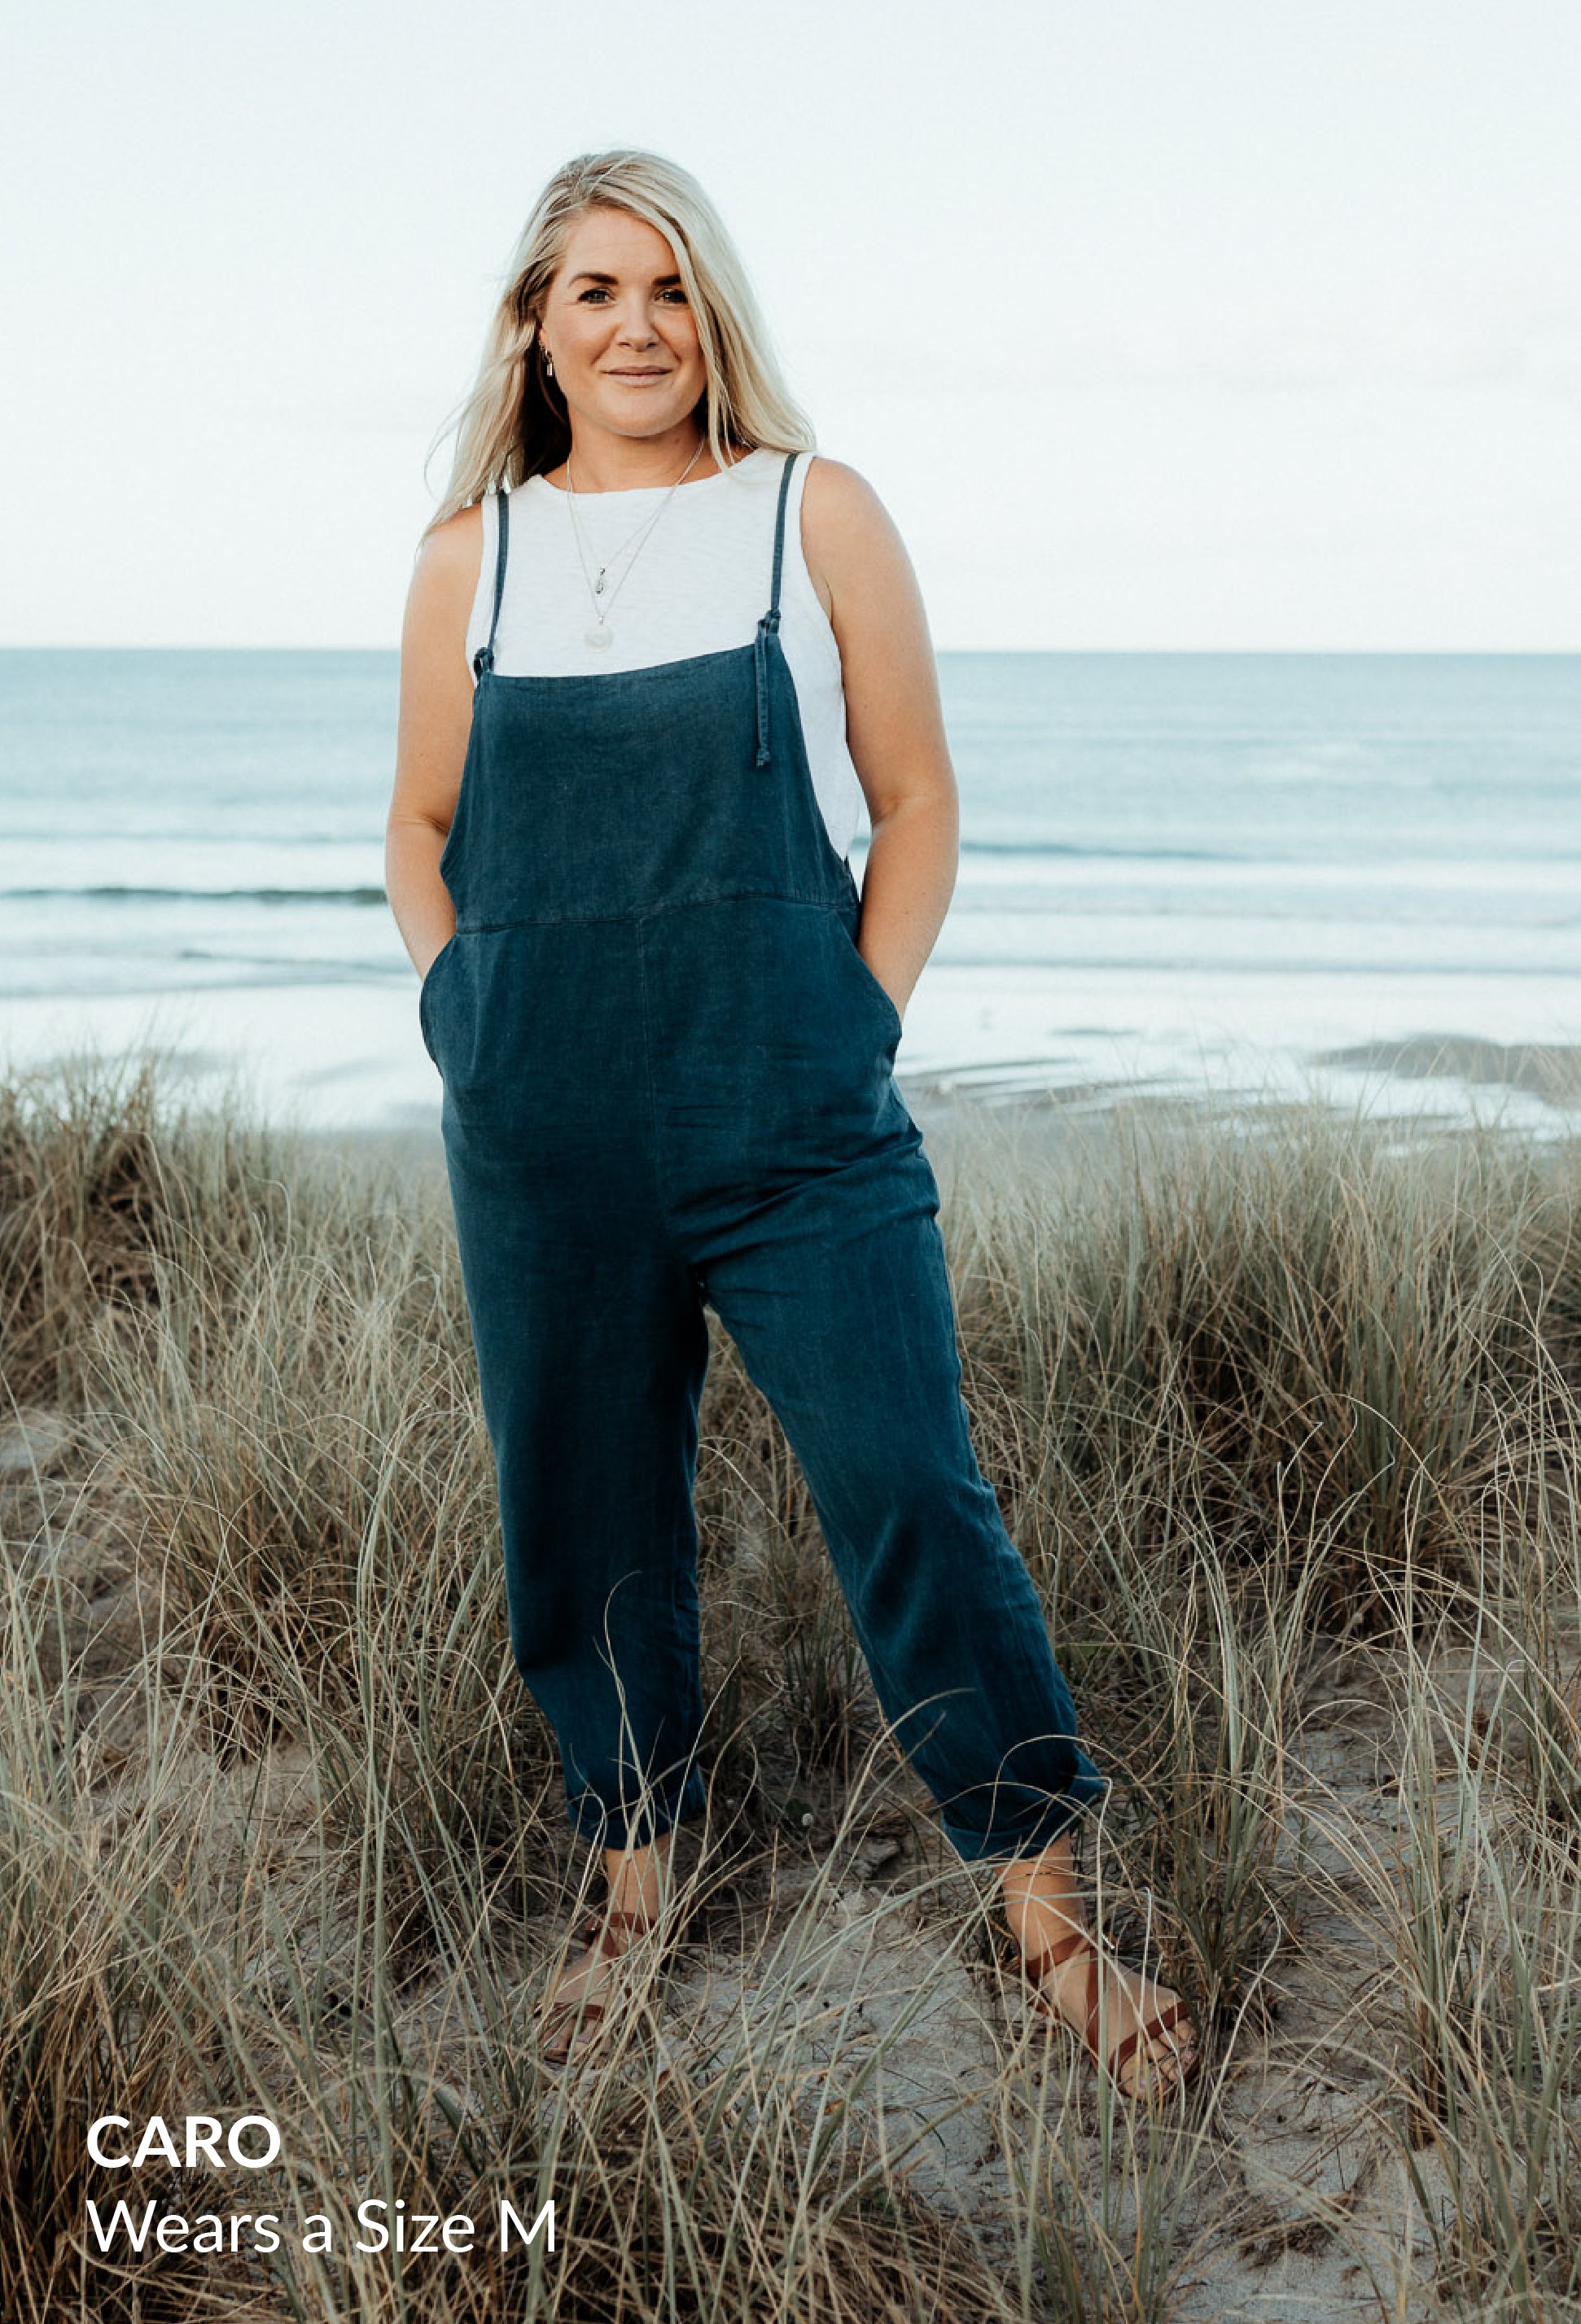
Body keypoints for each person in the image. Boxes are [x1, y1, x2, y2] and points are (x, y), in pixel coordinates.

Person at [386, 147, 1198, 2098]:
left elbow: (911, 798)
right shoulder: (463, 557)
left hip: (793, 1112)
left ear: (714, 315)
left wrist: (856, 1014)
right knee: (578, 1514)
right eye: (594, 290)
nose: (637, 324)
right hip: (544, 1123)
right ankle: (632, 1868)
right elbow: (419, 828)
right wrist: (461, 1020)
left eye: (668, 287)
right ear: (536, 327)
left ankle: (1042, 1904)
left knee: (909, 1483)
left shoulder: (804, 516)